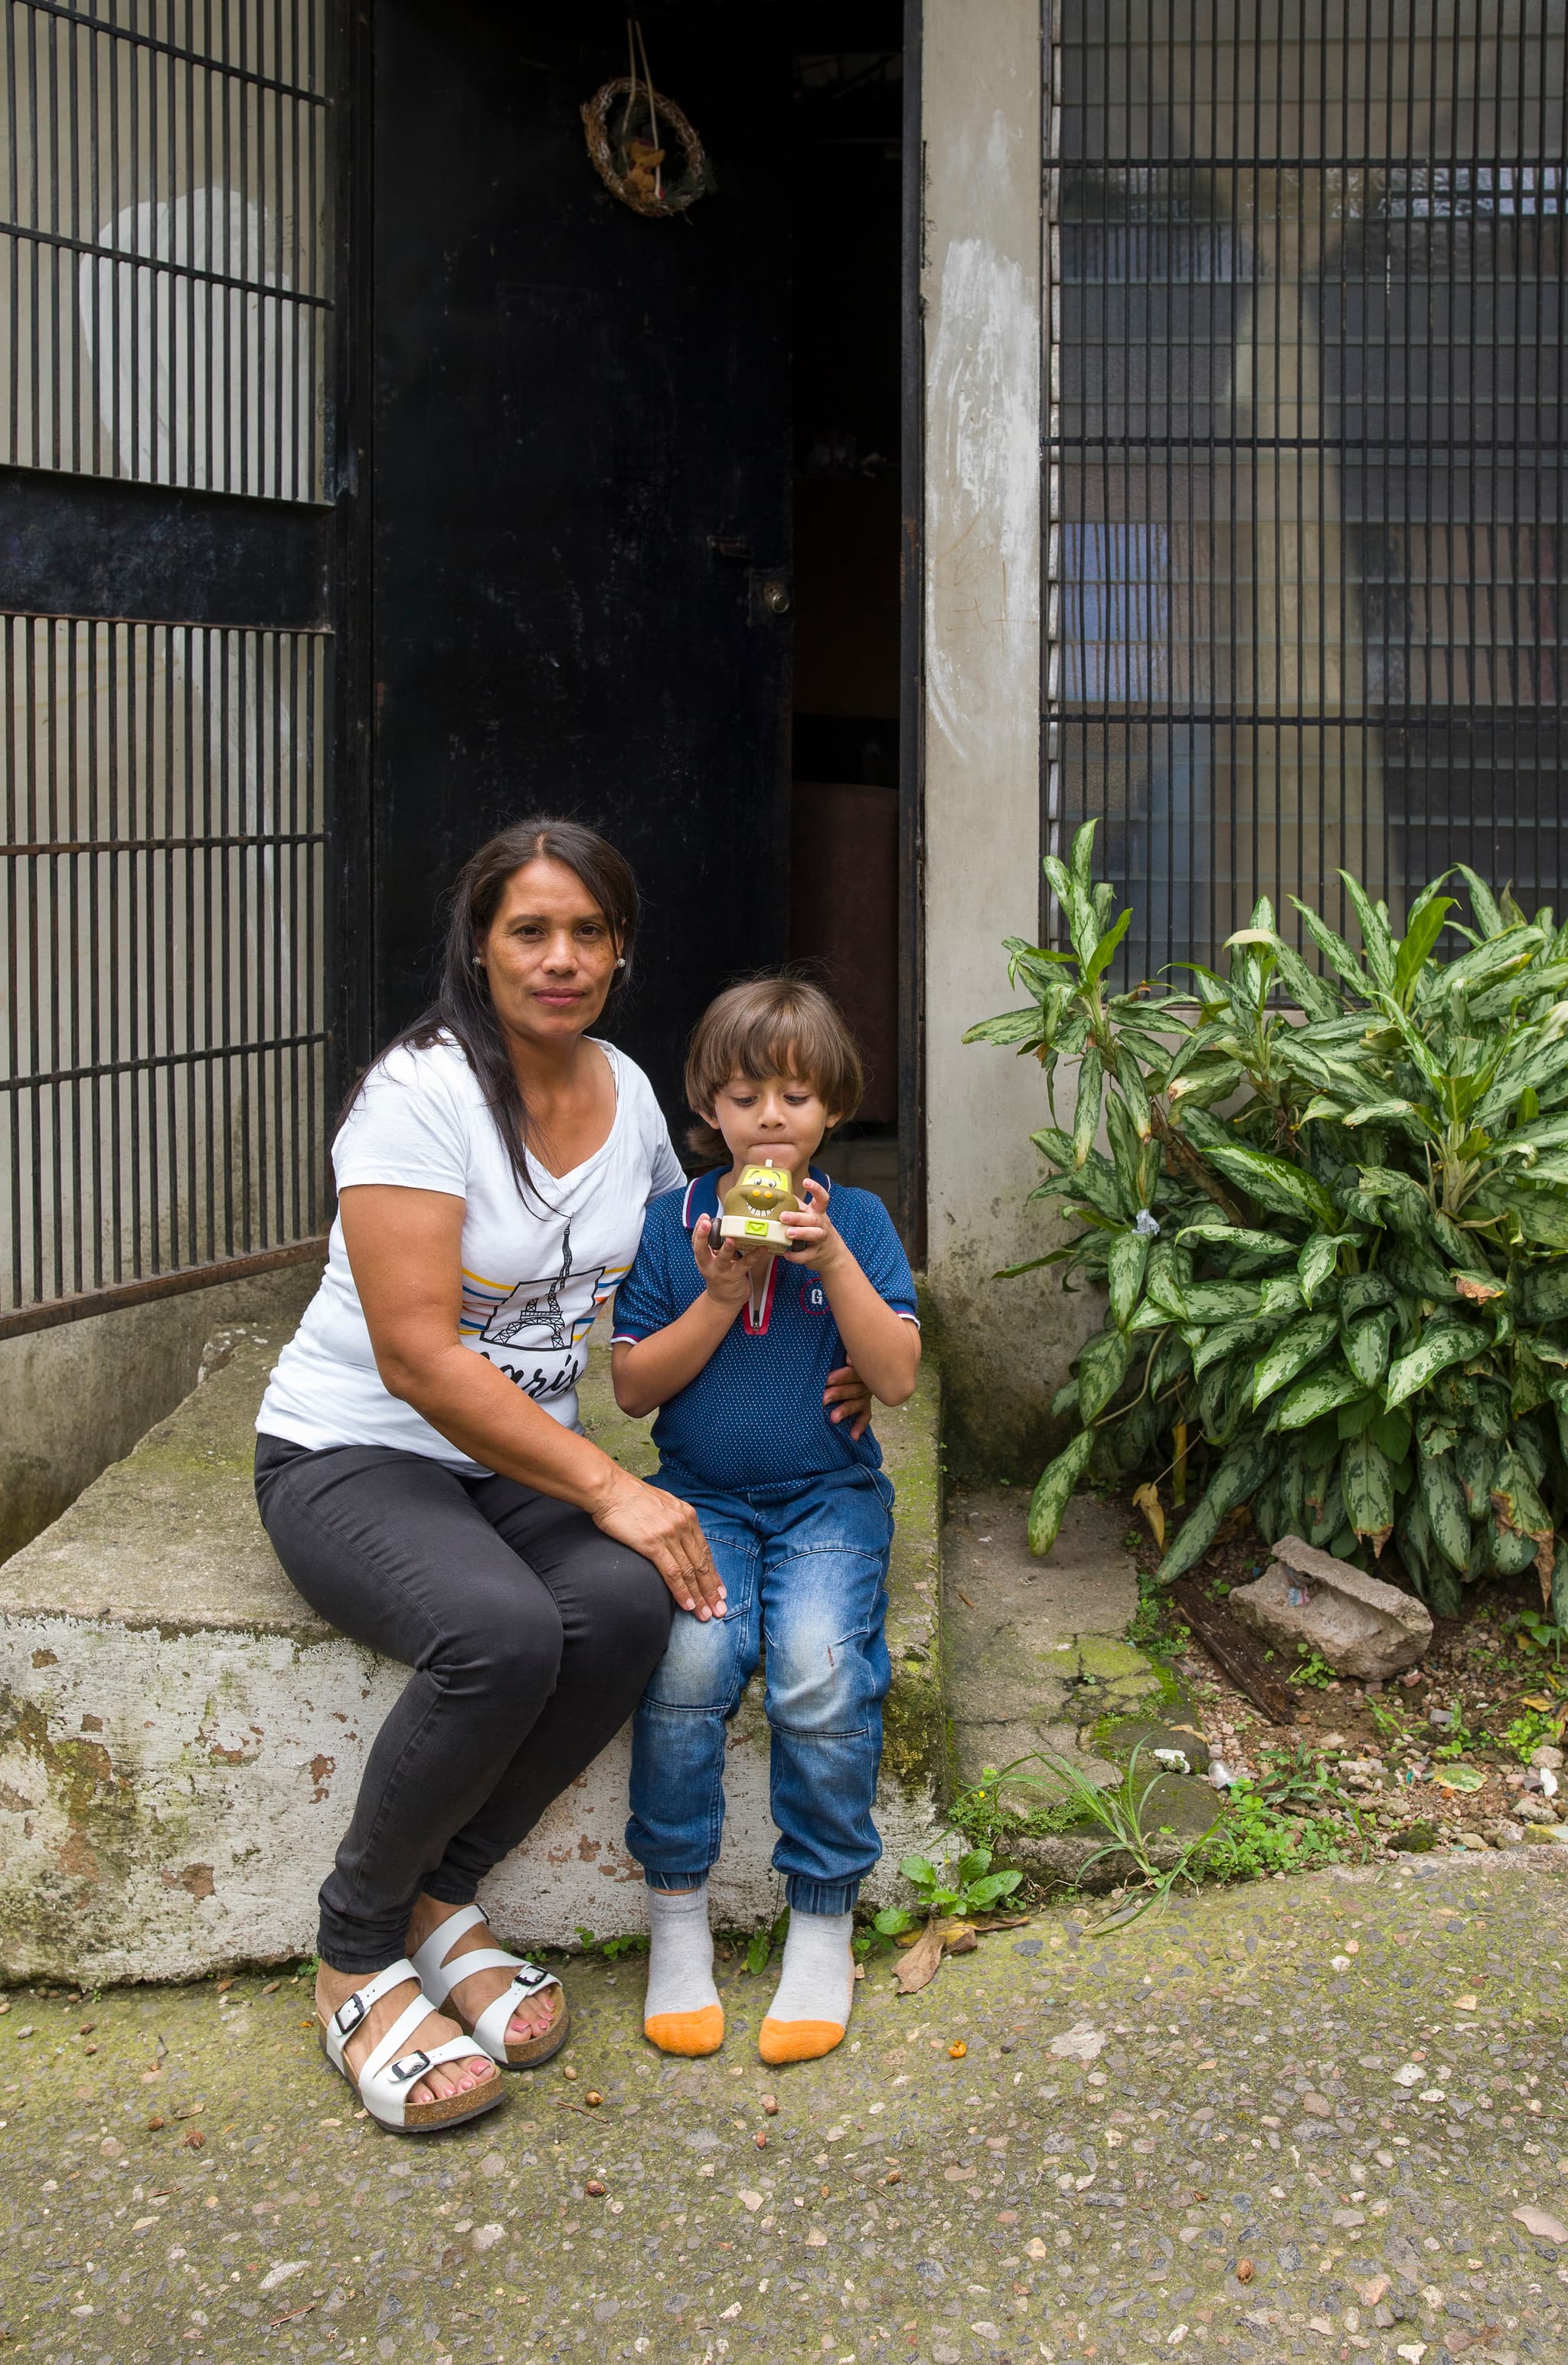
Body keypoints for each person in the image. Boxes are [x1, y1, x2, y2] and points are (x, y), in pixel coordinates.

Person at [251, 820, 875, 2134]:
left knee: (634, 1608)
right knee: (501, 1631)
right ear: (480, 947)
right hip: (355, 1452)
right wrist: (611, 1484)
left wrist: (849, 1350)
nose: (561, 958)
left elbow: (691, 1262)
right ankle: (356, 1951)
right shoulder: (418, 1096)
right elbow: (420, 1359)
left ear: (620, 950)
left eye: (587, 932)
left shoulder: (632, 1093)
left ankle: (445, 1896)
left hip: (513, 1458)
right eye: (529, 930)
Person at [610, 978, 922, 2066]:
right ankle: (678, 1920)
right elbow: (635, 1393)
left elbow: (895, 1379)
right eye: (747, 1095)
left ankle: (823, 1922)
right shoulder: (672, 1225)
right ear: (710, 1107)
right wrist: (717, 1289)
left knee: (818, 1662)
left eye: (796, 1094)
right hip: (704, 1500)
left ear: (833, 1107)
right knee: (690, 1663)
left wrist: (830, 1264)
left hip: (827, 1495)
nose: (773, 1117)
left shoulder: (863, 1221)